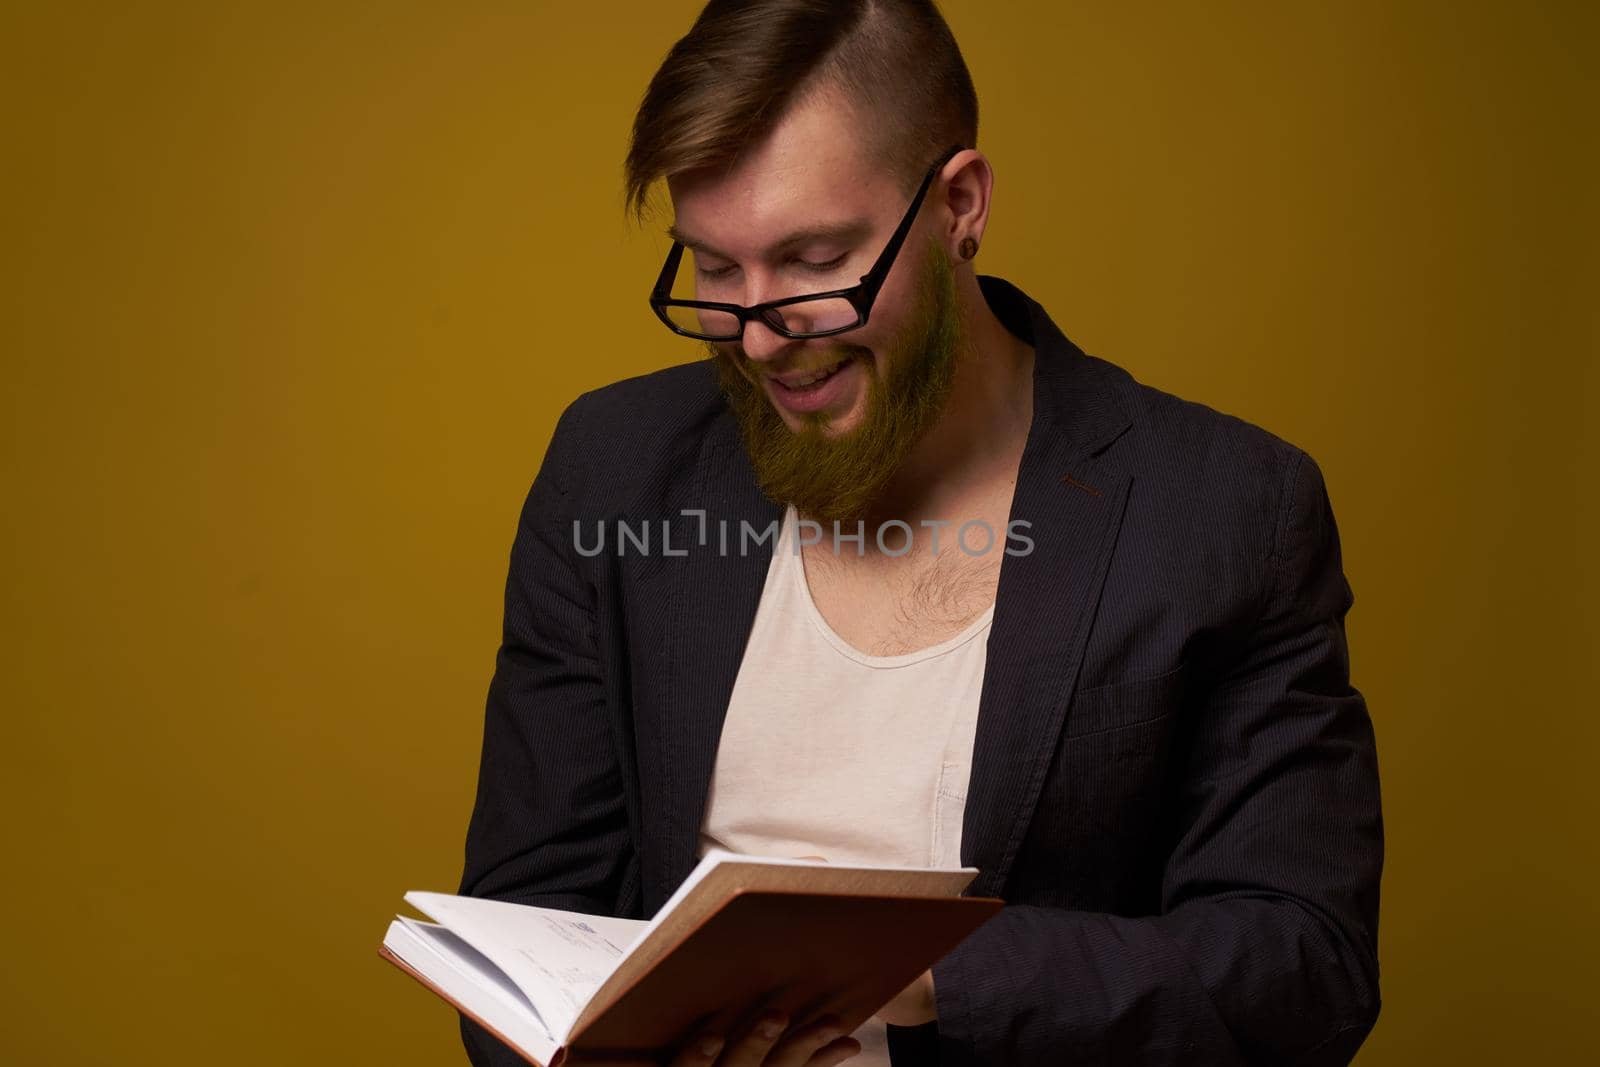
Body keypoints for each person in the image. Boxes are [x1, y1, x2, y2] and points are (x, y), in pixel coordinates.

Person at [457, 1, 1383, 1065]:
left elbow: (1302, 967)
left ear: (958, 204)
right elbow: (522, 926)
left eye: (813, 259)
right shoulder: (612, 465)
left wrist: (899, 969)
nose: (758, 335)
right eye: (713, 268)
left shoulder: (1226, 506)